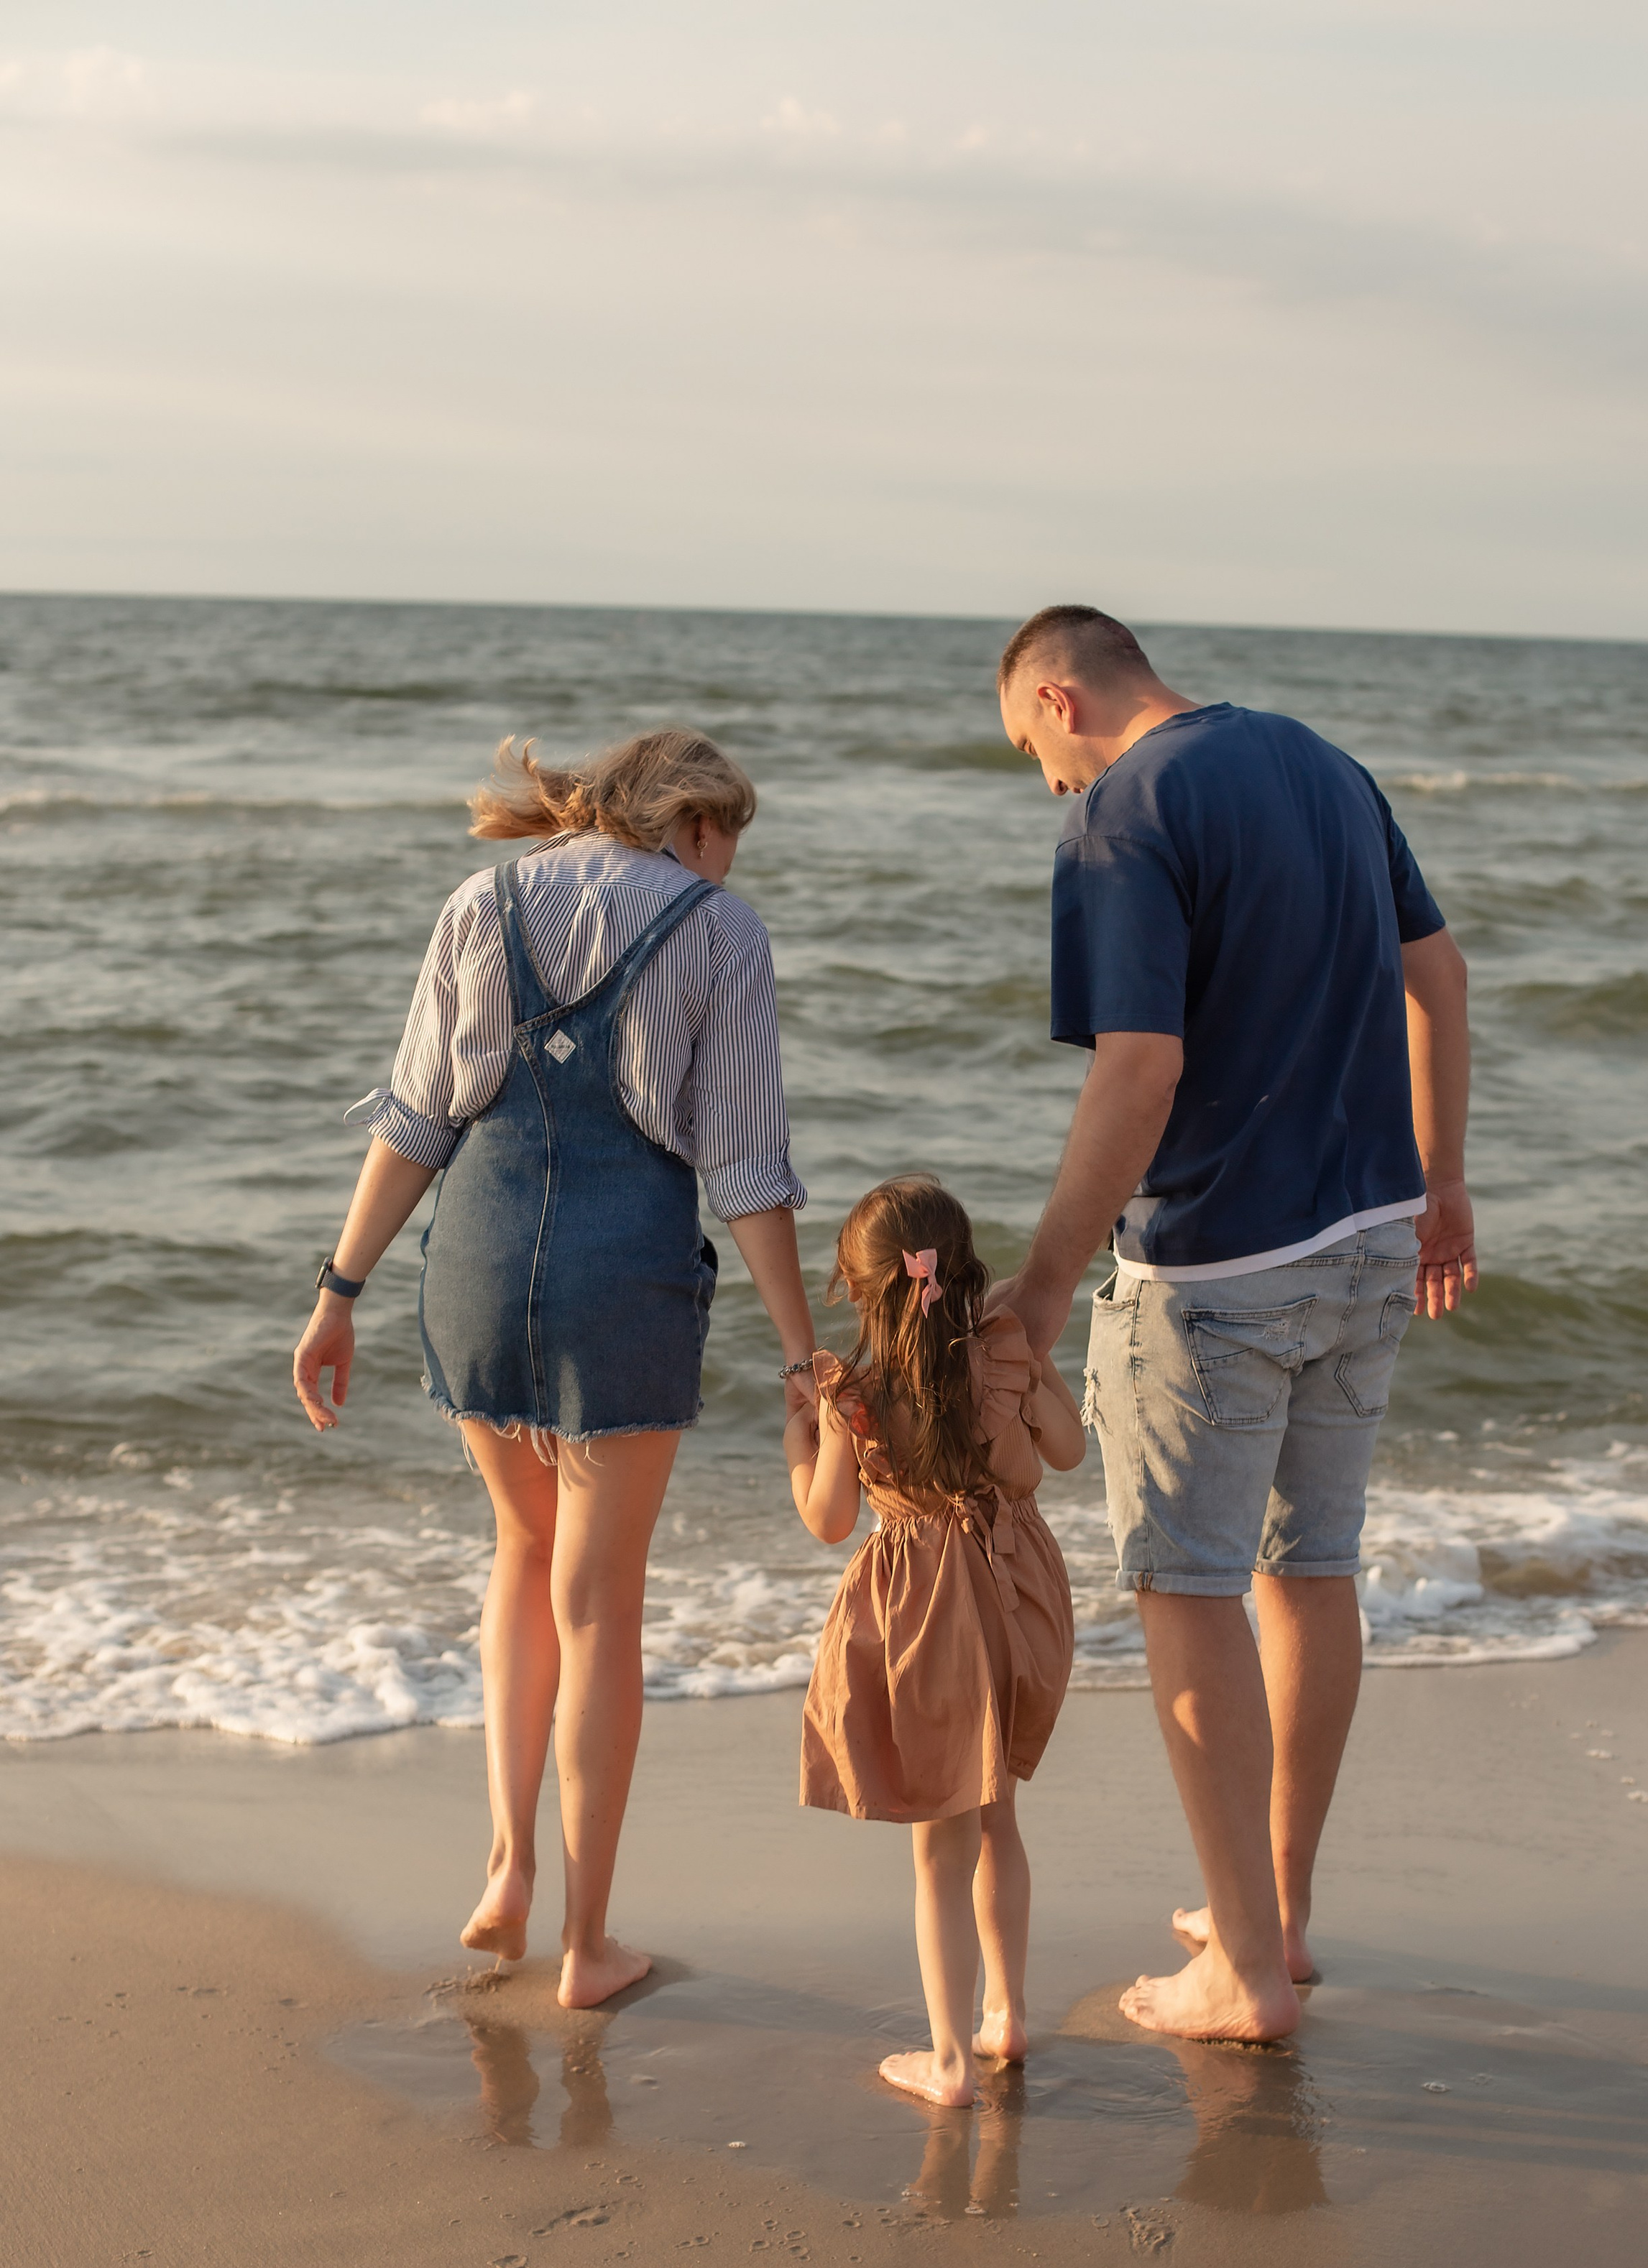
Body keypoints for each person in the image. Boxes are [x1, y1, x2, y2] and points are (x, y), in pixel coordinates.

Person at [993, 604, 1478, 2045]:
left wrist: (1031, 1292)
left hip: (1214, 1269)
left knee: (1187, 1590)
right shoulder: (1321, 764)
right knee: (1309, 1568)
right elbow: (1437, 980)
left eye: (1034, 751)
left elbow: (1139, 1071)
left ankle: (1243, 1977)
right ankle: (1277, 1917)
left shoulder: (1120, 813)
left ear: (1060, 696)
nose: (1047, 786)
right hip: (1367, 1241)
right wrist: (1439, 1180)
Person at [292, 729, 816, 2009]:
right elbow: (746, 1167)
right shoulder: (717, 929)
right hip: (620, 1276)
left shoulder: (483, 901)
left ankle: (509, 1867)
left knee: (520, 1556)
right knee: (601, 1604)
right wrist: (805, 1358)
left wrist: (337, 1292)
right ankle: (588, 1947)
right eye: (726, 842)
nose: (727, 869)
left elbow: (417, 1114)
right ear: (691, 823)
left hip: (472, 1258)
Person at [785, 1175, 1087, 2106]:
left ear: (856, 1288)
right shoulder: (1003, 1357)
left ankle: (950, 2062)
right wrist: (1035, 1376)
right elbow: (1067, 1454)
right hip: (1018, 1594)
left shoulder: (856, 1397)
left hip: (926, 1619)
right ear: (963, 1271)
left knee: (940, 1847)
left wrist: (804, 1436)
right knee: (997, 1817)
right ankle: (1007, 2014)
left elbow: (829, 1520)